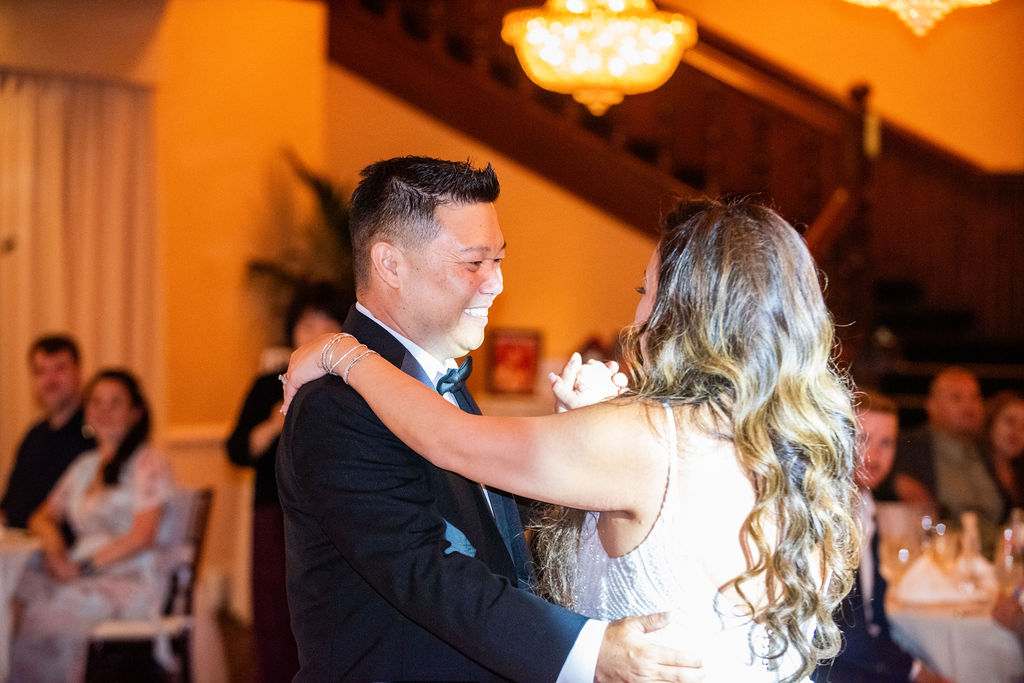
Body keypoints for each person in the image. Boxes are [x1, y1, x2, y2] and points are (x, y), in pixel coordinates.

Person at [283, 193, 862, 680]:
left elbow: (449, 439)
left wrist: (341, 352)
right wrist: (591, 426)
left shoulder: (643, 436)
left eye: (644, 290)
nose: (636, 315)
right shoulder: (781, 442)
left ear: (684, 310)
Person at [275, 156, 702, 682]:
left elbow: (498, 540)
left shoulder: (438, 382)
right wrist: (588, 653)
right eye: (474, 262)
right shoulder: (337, 406)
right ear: (390, 264)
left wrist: (580, 447)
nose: (495, 283)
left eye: (498, 260)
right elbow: (428, 573)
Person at [11, 369, 176, 683]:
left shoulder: (147, 462)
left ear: (135, 413)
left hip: (129, 576)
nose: (104, 411)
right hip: (81, 571)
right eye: (96, 402)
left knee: (47, 612)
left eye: (115, 403)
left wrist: (82, 568)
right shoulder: (84, 467)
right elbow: (40, 517)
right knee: (13, 592)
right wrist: (56, 550)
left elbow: (143, 536)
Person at [226, 279, 350, 683]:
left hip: (336, 517)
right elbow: (236, 450)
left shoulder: (352, 384)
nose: (314, 335)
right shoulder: (268, 385)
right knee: (274, 611)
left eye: (326, 325)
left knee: (330, 614)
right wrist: (277, 418)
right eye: (306, 325)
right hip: (273, 513)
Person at [813, 390, 949, 683]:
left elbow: (873, 618)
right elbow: (841, 634)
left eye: (886, 443)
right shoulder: (825, 516)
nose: (874, 456)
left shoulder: (864, 505)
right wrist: (913, 671)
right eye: (862, 439)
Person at [891, 367, 1003, 536]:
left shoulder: (988, 449)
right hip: (937, 547)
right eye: (956, 398)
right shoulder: (907, 448)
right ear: (932, 406)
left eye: (975, 397)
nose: (969, 407)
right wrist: (895, 483)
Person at [1, 335, 95, 529]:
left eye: (60, 369)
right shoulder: (33, 436)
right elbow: (9, 505)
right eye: (40, 371)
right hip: (18, 540)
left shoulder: (97, 433)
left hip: (68, 544)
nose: (50, 380)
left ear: (78, 373)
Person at [984, 390, 1024, 512]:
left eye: (1023, 427)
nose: (1016, 431)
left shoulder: (1020, 471)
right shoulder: (972, 468)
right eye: (1010, 421)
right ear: (991, 423)